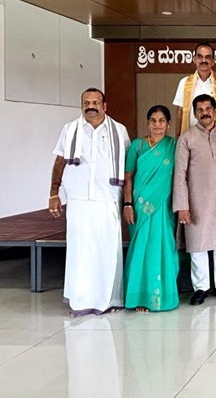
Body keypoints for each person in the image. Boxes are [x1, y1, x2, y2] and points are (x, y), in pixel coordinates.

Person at [49, 88, 131, 316]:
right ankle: (80, 300)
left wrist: (127, 202)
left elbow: (127, 167)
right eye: (86, 102)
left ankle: (110, 299)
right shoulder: (70, 129)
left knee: (107, 250)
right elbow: (59, 161)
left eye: (95, 102)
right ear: (81, 106)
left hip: (107, 198)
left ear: (104, 106)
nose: (90, 106)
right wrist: (54, 193)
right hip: (78, 199)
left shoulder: (119, 130)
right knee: (80, 251)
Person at [173, 94, 216, 306]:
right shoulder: (187, 137)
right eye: (199, 110)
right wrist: (182, 206)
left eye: (208, 108)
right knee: (198, 245)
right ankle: (201, 287)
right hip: (196, 201)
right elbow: (179, 175)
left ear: (215, 110)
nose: (204, 113)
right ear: (194, 113)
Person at [122, 105, 180, 313]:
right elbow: (128, 177)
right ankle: (138, 297)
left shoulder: (174, 145)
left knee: (163, 248)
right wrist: (128, 204)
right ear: (147, 123)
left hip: (164, 206)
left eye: (161, 120)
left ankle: (163, 296)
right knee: (141, 249)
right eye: (153, 120)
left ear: (168, 124)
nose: (157, 124)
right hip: (140, 206)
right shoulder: (137, 145)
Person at [173, 43, 216, 135]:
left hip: (215, 137)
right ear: (194, 60)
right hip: (190, 136)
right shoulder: (184, 82)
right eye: (200, 57)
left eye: (208, 57)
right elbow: (180, 112)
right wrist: (178, 136)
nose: (203, 60)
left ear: (213, 61)